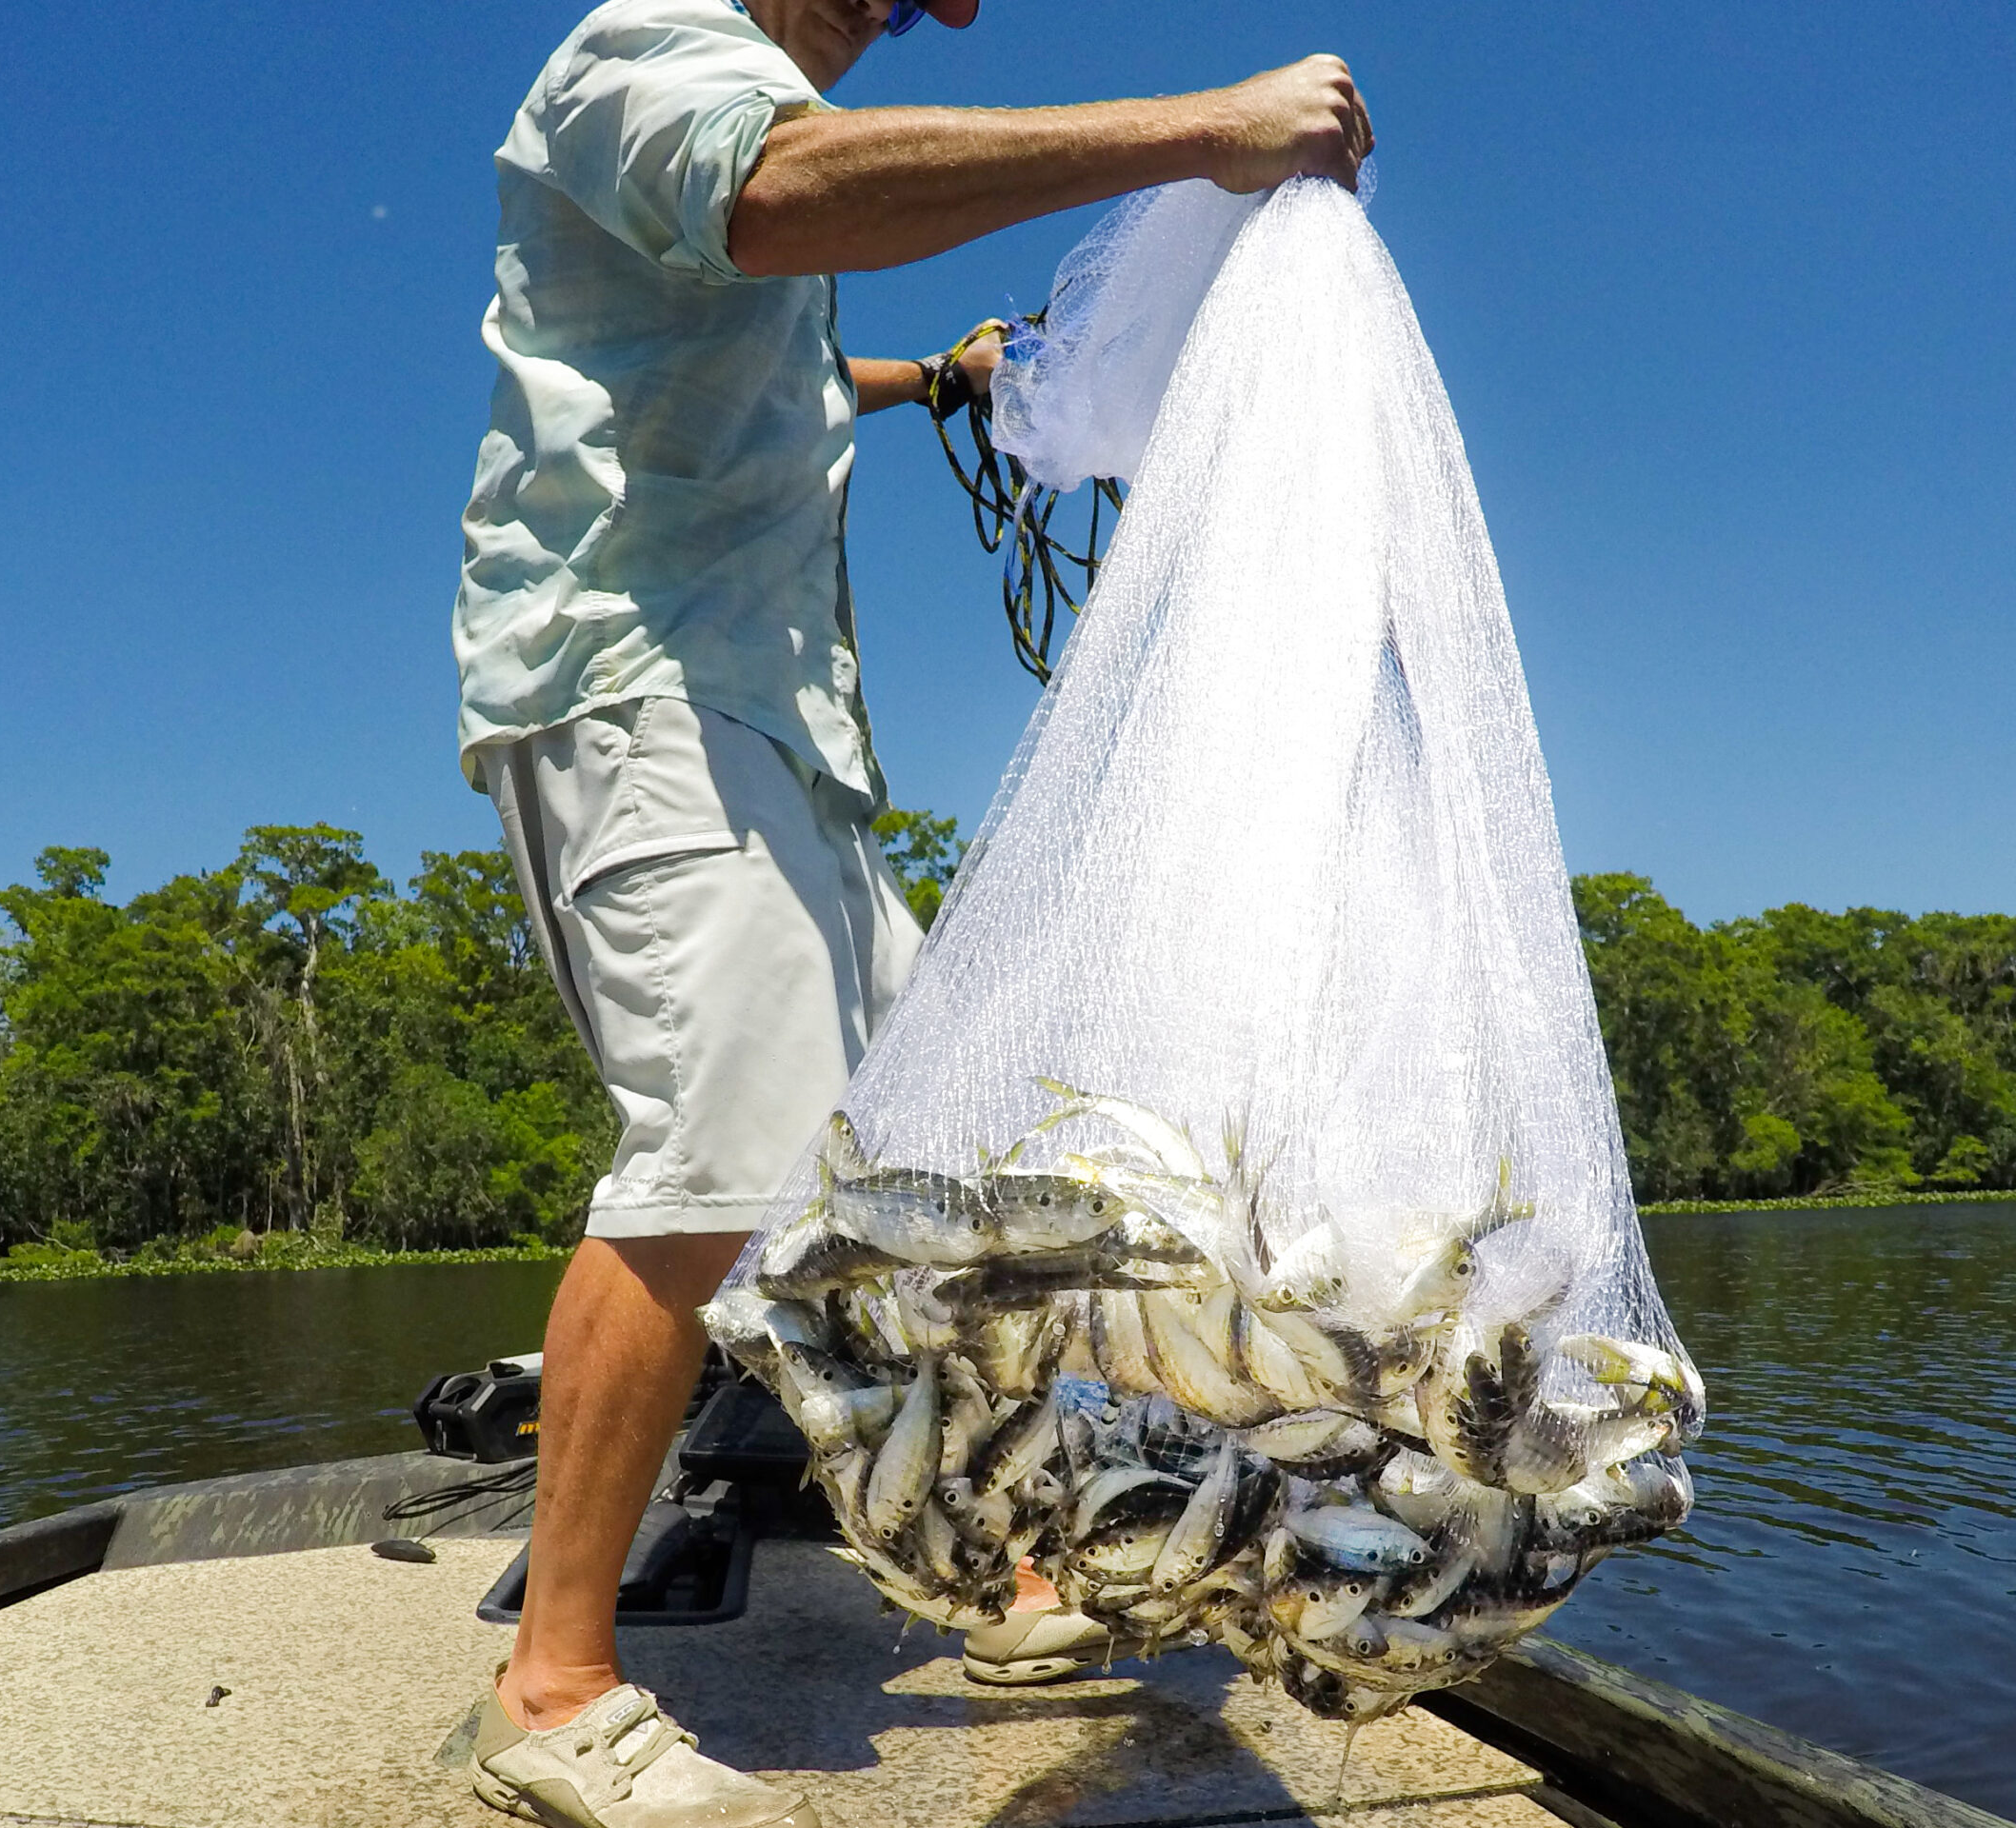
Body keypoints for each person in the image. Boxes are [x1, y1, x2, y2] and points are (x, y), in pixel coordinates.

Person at [449, 3, 1371, 1821]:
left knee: (927, 1181)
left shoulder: (755, 123)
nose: (904, 17)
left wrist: (930, 383)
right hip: (636, 695)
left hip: (782, 731)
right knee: (714, 1151)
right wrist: (1201, 130)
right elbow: (783, 199)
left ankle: (1011, 1571)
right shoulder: (656, 51)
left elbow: (773, 343)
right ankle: (550, 1689)